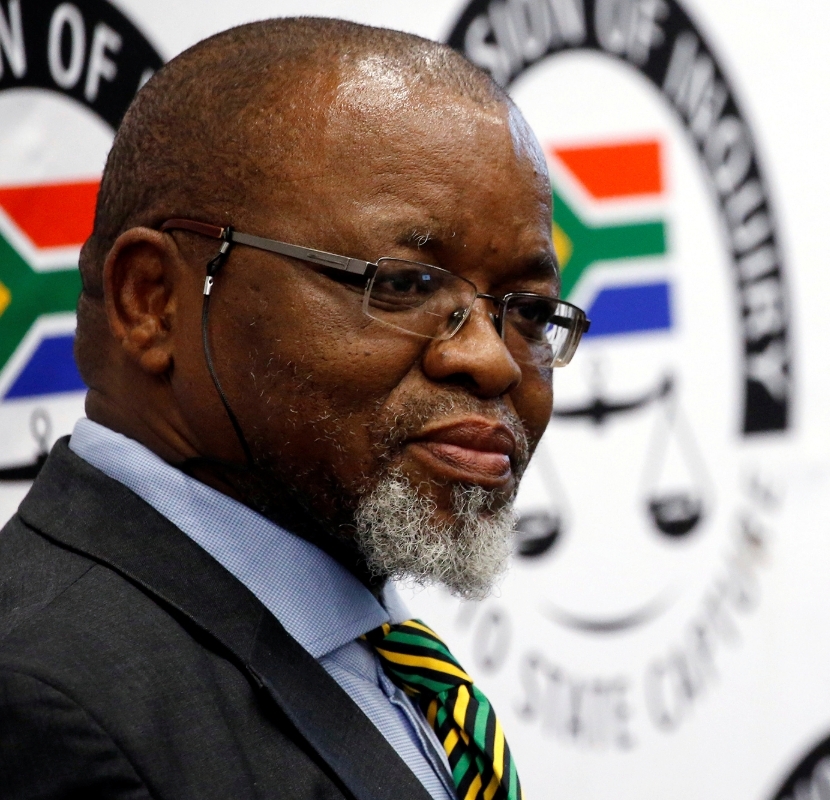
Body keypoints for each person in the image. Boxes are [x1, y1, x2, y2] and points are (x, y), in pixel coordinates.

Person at [0, 17, 588, 800]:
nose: (489, 358)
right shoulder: (49, 710)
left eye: (528, 310)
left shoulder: (372, 647)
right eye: (405, 285)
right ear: (153, 302)